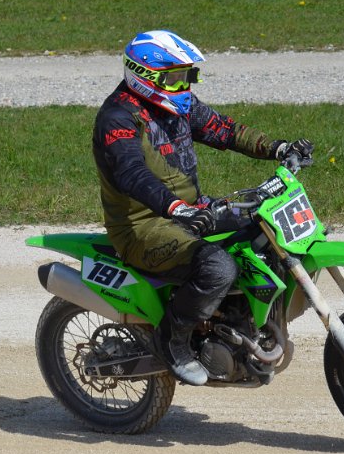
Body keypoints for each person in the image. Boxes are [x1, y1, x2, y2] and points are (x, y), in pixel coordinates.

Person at [92, 30, 313, 386]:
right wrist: (177, 208)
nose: (184, 85)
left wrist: (278, 148)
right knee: (218, 268)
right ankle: (172, 341)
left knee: (263, 229)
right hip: (144, 226)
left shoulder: (179, 105)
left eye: (187, 76)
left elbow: (223, 130)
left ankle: (242, 324)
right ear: (145, 75)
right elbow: (130, 174)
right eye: (176, 77)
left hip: (190, 211)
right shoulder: (118, 118)